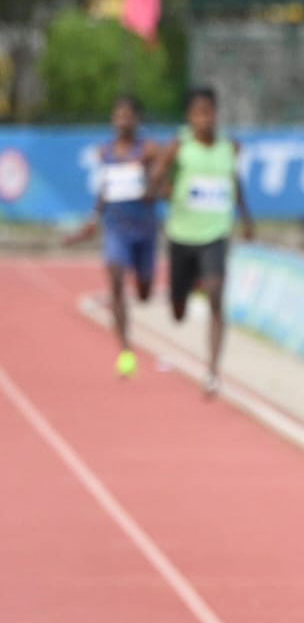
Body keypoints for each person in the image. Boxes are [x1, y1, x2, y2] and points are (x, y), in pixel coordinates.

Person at [151, 86, 254, 397]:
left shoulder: (229, 148)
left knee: (216, 295)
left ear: (216, 114)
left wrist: (246, 217)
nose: (204, 119)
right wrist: (162, 187)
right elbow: (157, 179)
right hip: (182, 236)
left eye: (209, 112)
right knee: (178, 310)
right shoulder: (178, 147)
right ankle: (185, 289)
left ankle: (212, 370)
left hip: (215, 234)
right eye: (198, 113)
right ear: (189, 117)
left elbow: (234, 181)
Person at [63, 95, 162, 376]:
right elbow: (105, 188)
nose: (122, 121)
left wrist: (151, 178)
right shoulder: (106, 152)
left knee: (144, 292)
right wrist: (94, 216)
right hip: (116, 228)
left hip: (145, 230)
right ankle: (126, 349)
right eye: (118, 116)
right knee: (116, 281)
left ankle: (142, 286)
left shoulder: (150, 149)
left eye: (128, 115)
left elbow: (159, 182)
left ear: (137, 120)